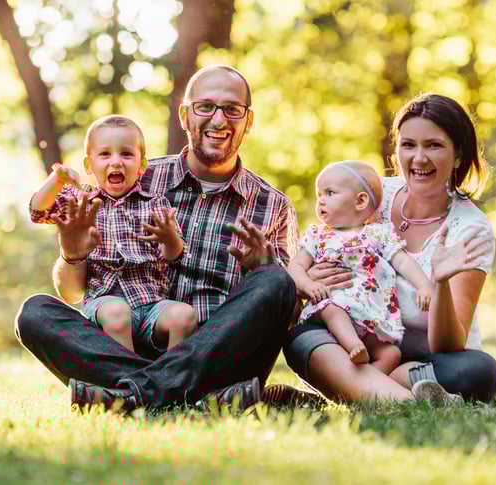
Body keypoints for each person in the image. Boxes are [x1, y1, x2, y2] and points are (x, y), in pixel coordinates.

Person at [15, 65, 309, 411]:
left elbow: (284, 314)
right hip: (128, 342)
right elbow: (74, 293)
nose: (218, 119)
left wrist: (262, 269)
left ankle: (132, 395)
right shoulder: (133, 176)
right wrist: (72, 254)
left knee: (275, 280)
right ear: (185, 116)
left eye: (232, 109)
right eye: (205, 106)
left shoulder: (272, 204)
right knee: (34, 313)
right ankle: (187, 399)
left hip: (219, 360)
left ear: (248, 121)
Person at [284, 93, 496, 404]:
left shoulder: (470, 229)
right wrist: (314, 276)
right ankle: (411, 398)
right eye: (408, 145)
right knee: (301, 339)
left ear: (457, 155)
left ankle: (375, 390)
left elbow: (448, 344)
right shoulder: (373, 196)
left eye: (434, 145)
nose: (419, 158)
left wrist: (438, 282)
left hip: (425, 359)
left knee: (480, 371)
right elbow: (323, 246)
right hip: (353, 343)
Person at [28, 115, 198, 354]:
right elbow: (37, 211)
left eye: (126, 154)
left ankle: (173, 383)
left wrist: (172, 241)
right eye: (105, 154)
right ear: (89, 165)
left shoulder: (154, 204)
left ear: (142, 165)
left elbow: (173, 256)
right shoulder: (81, 201)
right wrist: (57, 179)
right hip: (104, 303)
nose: (116, 162)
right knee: (117, 312)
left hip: (151, 304)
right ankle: (126, 383)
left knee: (184, 315)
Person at [287, 161, 432, 375]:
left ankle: (367, 390)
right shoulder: (319, 236)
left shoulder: (379, 234)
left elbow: (403, 261)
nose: (321, 201)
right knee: (333, 310)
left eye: (329, 193)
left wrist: (424, 286)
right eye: (319, 195)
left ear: (361, 201)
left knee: (391, 354)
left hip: (370, 315)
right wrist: (307, 284)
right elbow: (296, 266)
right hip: (331, 305)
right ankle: (353, 344)